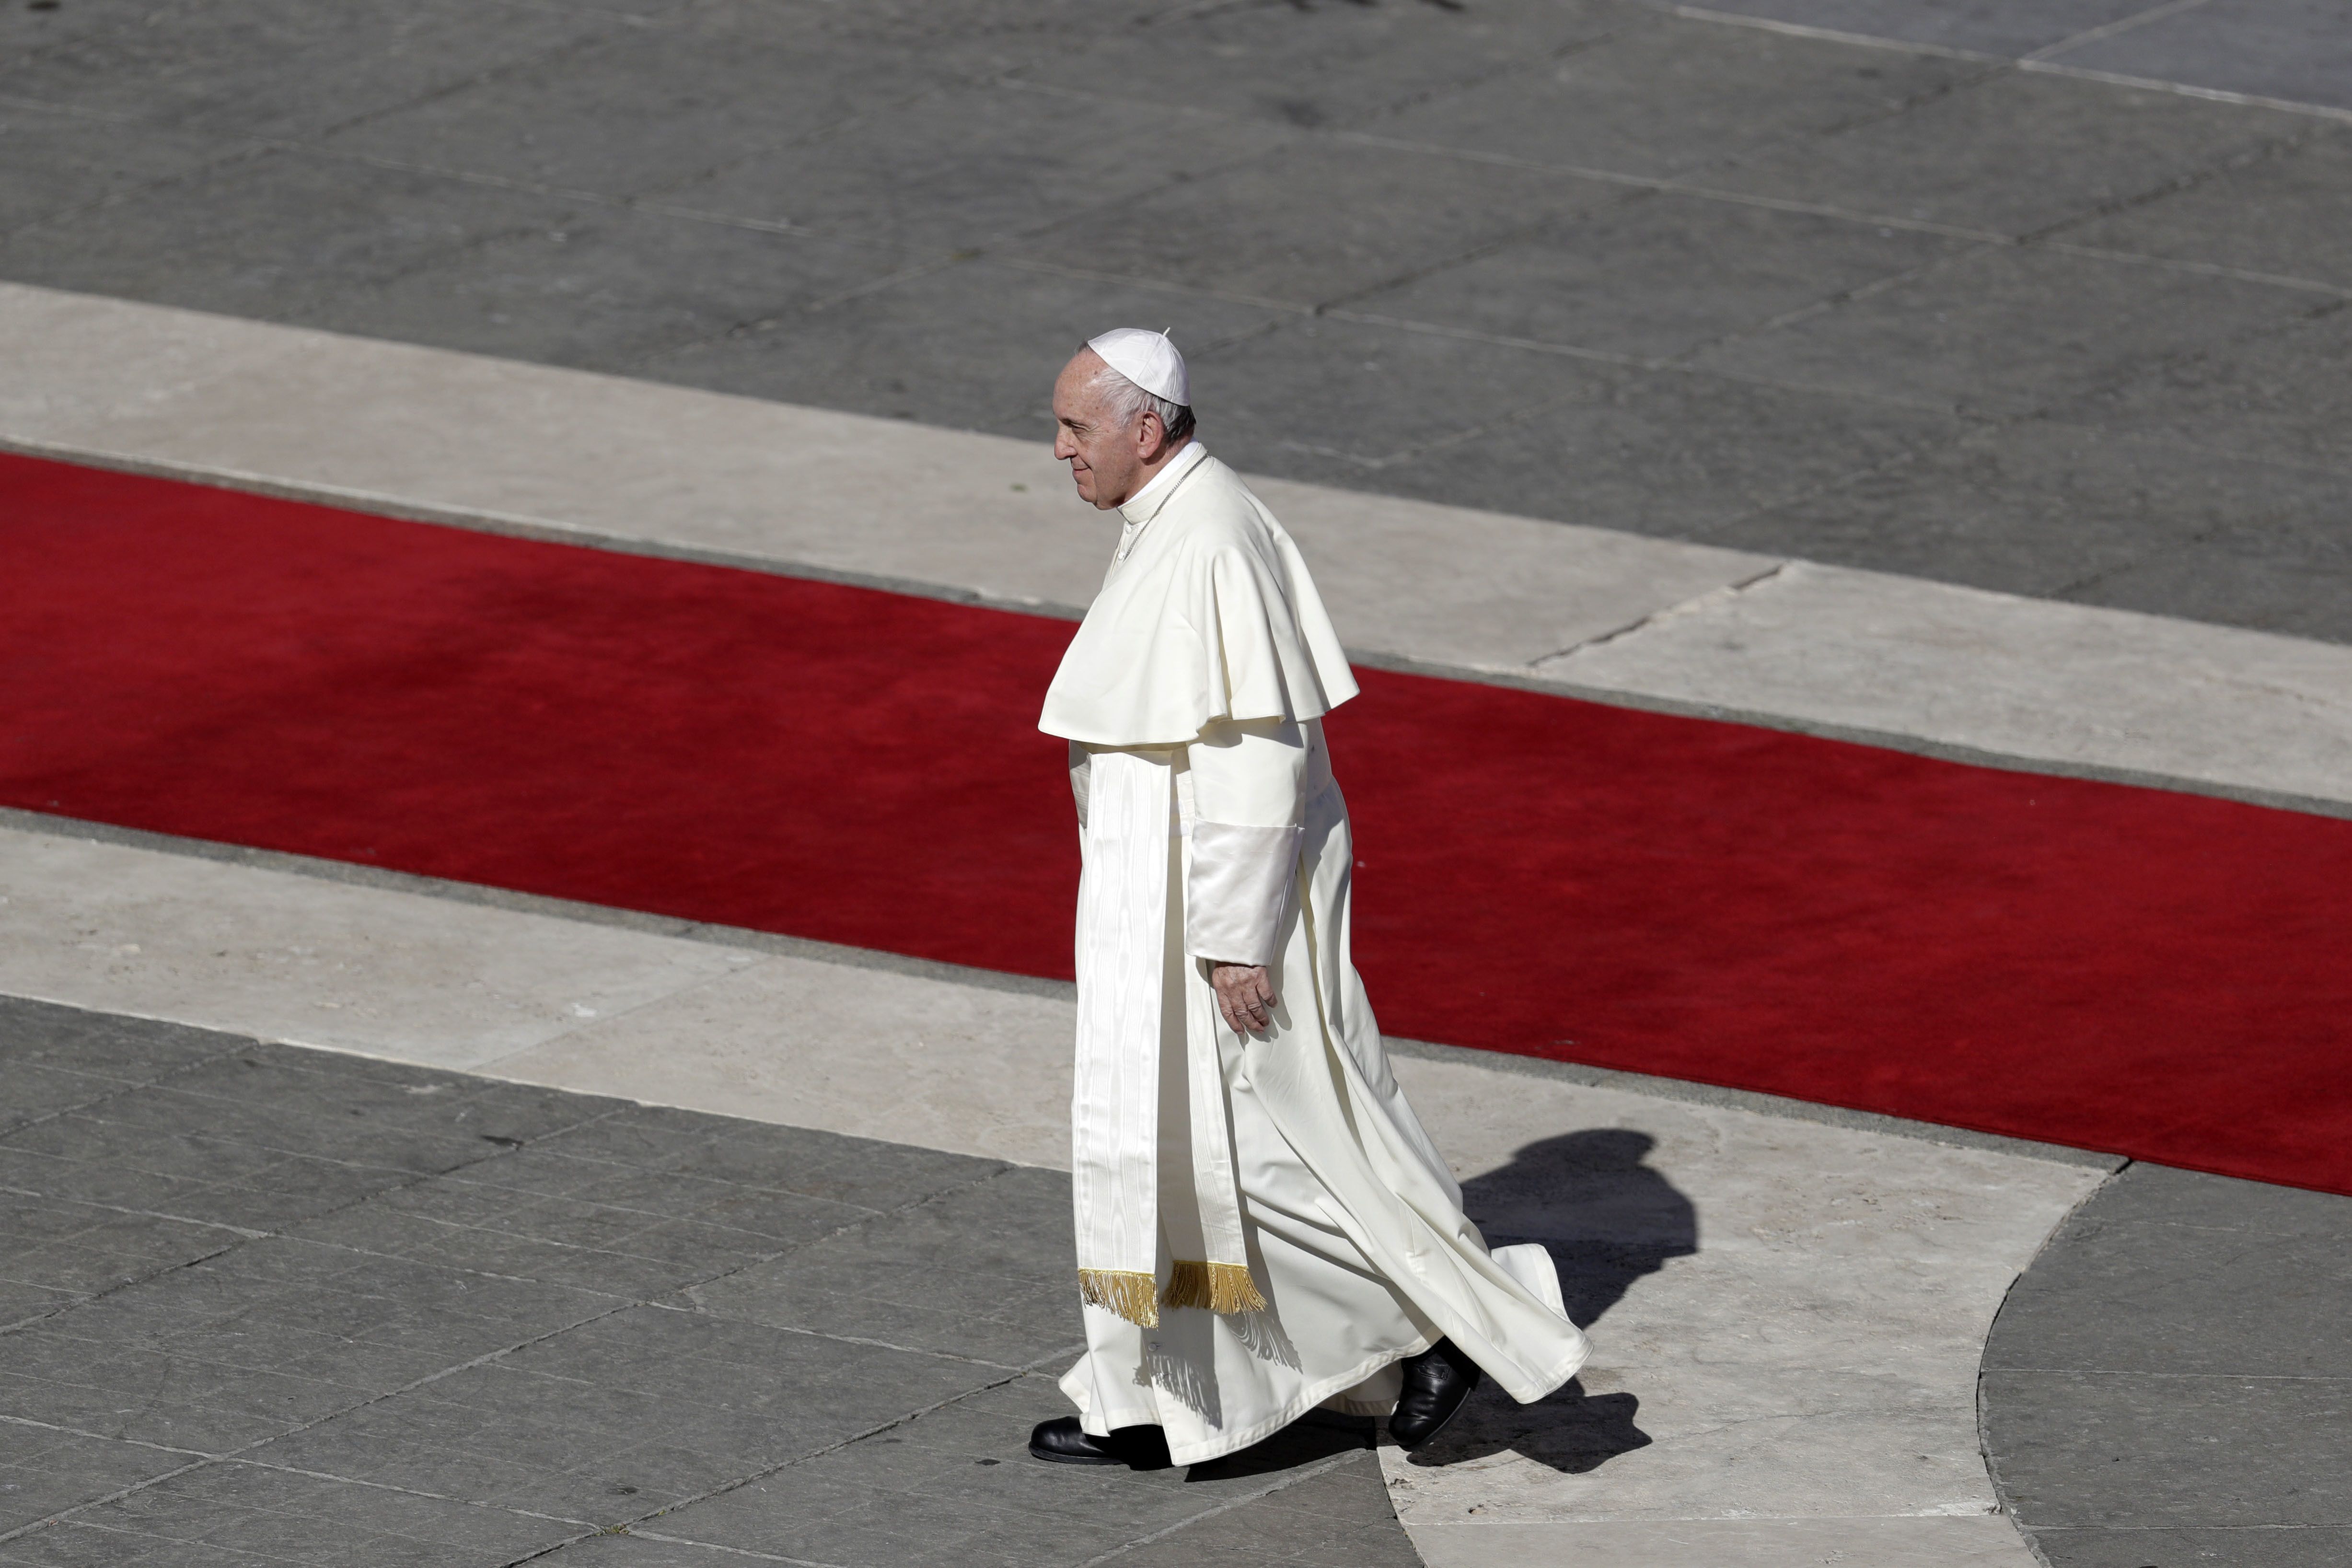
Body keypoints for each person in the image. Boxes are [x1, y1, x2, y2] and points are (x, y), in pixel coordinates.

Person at [1029, 329, 1589, 1469]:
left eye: (1076, 429)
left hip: (1211, 921)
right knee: (1179, 1154)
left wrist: (1235, 942)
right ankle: (1162, 1394)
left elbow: (1253, 758)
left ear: (1147, 429)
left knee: (1263, 1154)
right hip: (1162, 907)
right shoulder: (1171, 520)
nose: (1059, 451)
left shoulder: (1214, 538)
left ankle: (1439, 1325)